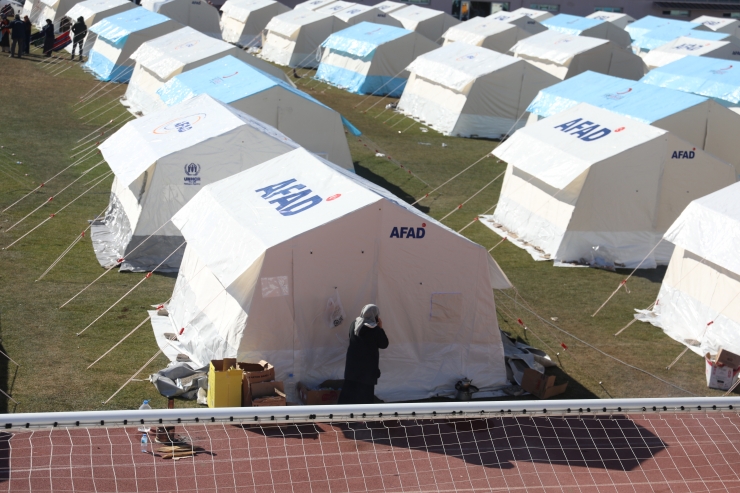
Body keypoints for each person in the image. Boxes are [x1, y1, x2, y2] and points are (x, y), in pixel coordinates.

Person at [337, 304, 389, 405]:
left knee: (348, 393)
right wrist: (381, 328)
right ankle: (363, 418)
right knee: (365, 396)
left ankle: (342, 415)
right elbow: (384, 344)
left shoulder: (354, 324)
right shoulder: (375, 330)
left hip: (352, 366)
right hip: (367, 369)